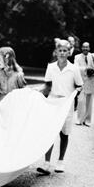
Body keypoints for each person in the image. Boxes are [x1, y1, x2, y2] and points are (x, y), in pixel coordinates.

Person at [37, 39, 83, 175]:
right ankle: (46, 163)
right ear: (56, 52)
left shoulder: (73, 68)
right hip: (53, 102)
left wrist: (77, 92)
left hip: (66, 103)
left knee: (64, 133)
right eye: (60, 50)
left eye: (65, 51)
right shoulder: (51, 67)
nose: (62, 53)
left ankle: (61, 161)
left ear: (69, 53)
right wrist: (38, 92)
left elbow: (79, 85)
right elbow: (47, 85)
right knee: (50, 132)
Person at [74, 42, 94, 127]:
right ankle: (79, 119)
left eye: (87, 47)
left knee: (89, 101)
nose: (85, 49)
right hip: (82, 81)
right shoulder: (77, 57)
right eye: (83, 47)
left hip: (91, 81)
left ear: (89, 48)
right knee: (81, 100)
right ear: (81, 48)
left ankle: (87, 120)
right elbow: (76, 68)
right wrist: (86, 69)